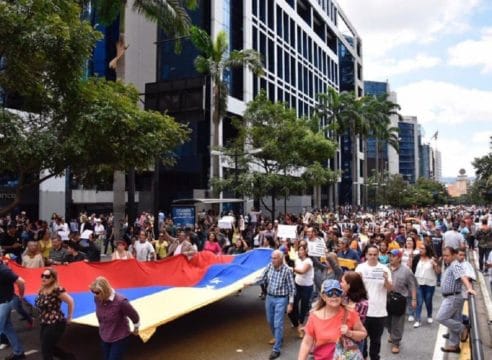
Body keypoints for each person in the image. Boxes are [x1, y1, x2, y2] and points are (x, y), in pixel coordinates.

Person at [297, 279, 367, 360]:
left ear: (341, 295)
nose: (334, 296)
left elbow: (363, 334)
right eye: (330, 293)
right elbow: (307, 343)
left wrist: (349, 333)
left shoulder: (350, 313)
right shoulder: (314, 316)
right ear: (323, 297)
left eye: (337, 293)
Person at [244, 250, 295, 360]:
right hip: (270, 297)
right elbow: (262, 278)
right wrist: (251, 282)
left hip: (281, 299)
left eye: (275, 258)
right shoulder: (269, 266)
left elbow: (292, 288)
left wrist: (290, 303)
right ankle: (278, 337)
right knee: (270, 321)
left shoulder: (287, 271)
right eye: (272, 258)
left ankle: (276, 349)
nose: (272, 260)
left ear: (281, 259)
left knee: (278, 323)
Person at [437, 247, 476, 353]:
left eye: (447, 255)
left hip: (453, 297)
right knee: (455, 319)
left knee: (441, 317)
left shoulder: (455, 264)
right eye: (444, 255)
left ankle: (463, 328)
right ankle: (454, 345)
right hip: (451, 296)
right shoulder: (449, 265)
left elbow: (463, 277)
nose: (445, 258)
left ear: (454, 255)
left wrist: (469, 288)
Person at [355, 245, 392, 360]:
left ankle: (375, 357)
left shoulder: (384, 269)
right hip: (362, 311)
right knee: (362, 339)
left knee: (376, 340)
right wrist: (358, 279)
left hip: (378, 311)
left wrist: (385, 279)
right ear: (366, 255)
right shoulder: (360, 268)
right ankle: (363, 357)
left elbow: (390, 288)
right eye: (370, 254)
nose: (372, 257)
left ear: (378, 255)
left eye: (375, 254)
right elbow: (354, 289)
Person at [90, 277, 140, 360]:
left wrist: (136, 328)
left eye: (97, 292)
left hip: (120, 337)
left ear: (104, 291)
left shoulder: (121, 302)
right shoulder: (97, 299)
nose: (95, 294)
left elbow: (134, 316)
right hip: (105, 336)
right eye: (93, 292)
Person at [35, 268, 75, 360]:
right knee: (48, 347)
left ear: (53, 278)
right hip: (44, 322)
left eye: (47, 276)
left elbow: (71, 301)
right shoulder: (42, 289)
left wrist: (69, 317)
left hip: (55, 323)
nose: (44, 278)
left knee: (46, 350)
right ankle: (69, 357)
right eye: (43, 275)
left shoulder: (57, 290)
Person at [386, 249, 417, 354]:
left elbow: (413, 286)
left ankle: (396, 342)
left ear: (399, 258)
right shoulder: (385, 268)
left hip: (399, 299)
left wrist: (413, 299)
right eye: (390, 256)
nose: (391, 258)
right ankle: (391, 333)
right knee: (387, 320)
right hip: (386, 298)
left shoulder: (406, 271)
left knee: (398, 322)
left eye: (393, 256)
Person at [0, 259, 26, 360]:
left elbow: (21, 282)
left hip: (4, 303)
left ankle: (19, 353)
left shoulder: (3, 270)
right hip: (3, 302)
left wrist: (21, 295)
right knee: (7, 328)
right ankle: (18, 353)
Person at [288, 245, 313, 339]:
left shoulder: (309, 261)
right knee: (293, 304)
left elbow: (302, 271)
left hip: (307, 287)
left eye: (302, 250)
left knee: (304, 306)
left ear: (306, 251)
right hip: (297, 285)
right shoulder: (297, 260)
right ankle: (296, 323)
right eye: (299, 250)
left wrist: (292, 269)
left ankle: (301, 324)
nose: (299, 251)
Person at [340, 271, 369, 353]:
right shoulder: (344, 296)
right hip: (341, 337)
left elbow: (358, 323)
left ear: (349, 285)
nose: (340, 284)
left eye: (342, 282)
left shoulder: (362, 304)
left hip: (354, 339)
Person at [413, 243, 440, 328]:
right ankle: (417, 319)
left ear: (427, 250)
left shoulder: (432, 259)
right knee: (419, 302)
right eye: (420, 248)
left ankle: (429, 315)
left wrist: (435, 265)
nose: (420, 250)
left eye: (423, 248)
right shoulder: (417, 258)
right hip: (419, 283)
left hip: (430, 284)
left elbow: (438, 272)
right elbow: (412, 268)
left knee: (428, 301)